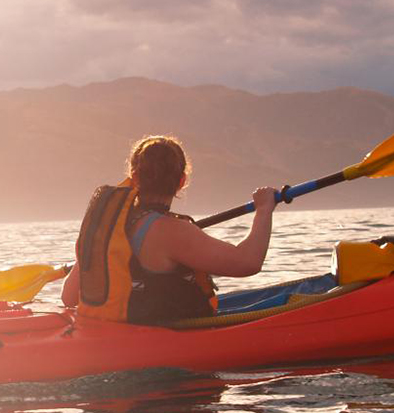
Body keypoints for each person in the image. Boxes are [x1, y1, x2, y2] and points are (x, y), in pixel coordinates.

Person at [61, 135, 277, 324]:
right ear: (182, 181)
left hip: (115, 339)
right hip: (163, 352)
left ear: (134, 178)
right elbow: (248, 262)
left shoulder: (106, 227)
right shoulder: (172, 231)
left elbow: (69, 297)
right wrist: (264, 210)